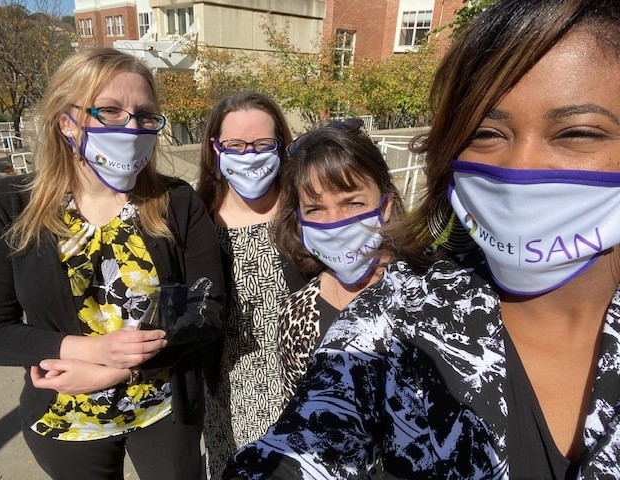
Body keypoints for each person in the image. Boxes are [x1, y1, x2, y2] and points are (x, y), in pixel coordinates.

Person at [223, 0, 620, 478]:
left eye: (576, 132)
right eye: (486, 132)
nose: (520, 168)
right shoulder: (389, 323)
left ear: (386, 200)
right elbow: (308, 440)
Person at [0, 47, 226, 480]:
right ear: (66, 121)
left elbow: (206, 309)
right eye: (110, 111)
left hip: (165, 412)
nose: (131, 127)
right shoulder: (10, 204)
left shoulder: (175, 203)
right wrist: (89, 353)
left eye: (145, 115)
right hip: (66, 418)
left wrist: (118, 369)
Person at [197, 91, 305, 479]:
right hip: (228, 385)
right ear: (215, 147)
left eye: (262, 144)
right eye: (235, 145)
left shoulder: (306, 209)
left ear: (282, 145)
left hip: (304, 376)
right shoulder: (197, 219)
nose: (249, 155)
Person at [271, 119, 405, 403]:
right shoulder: (296, 314)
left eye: (353, 203)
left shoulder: (436, 293)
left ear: (387, 205)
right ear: (298, 221)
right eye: (315, 209)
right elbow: (300, 420)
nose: (335, 222)